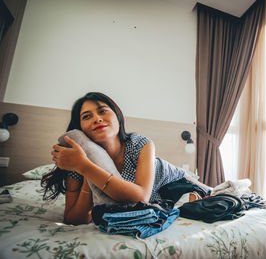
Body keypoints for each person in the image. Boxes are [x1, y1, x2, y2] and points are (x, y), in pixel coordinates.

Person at [41, 92, 210, 225]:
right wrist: (86, 169)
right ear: (80, 129)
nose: (97, 119)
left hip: (172, 178)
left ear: (118, 117)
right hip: (158, 196)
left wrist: (86, 167)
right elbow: (73, 219)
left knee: (215, 194)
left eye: (102, 111)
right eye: (87, 116)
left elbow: (141, 197)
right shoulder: (78, 159)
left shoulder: (141, 144)